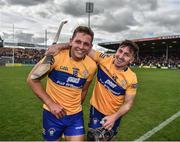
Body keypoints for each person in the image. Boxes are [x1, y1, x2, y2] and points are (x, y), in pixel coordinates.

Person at [46, 39, 139, 140]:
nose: (121, 56)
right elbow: (82, 48)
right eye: (120, 51)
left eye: (126, 54)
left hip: (114, 115)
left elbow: (128, 104)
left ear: (131, 59)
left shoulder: (131, 78)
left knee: (107, 140)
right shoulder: (104, 59)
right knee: (92, 138)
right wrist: (59, 46)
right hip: (96, 110)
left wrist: (114, 117)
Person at [27, 26, 97, 141]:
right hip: (52, 115)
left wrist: (75, 107)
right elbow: (32, 79)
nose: (81, 47)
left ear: (90, 47)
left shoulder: (92, 66)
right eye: (78, 42)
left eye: (86, 44)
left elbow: (84, 90)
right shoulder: (56, 56)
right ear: (70, 41)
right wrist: (51, 104)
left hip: (75, 116)